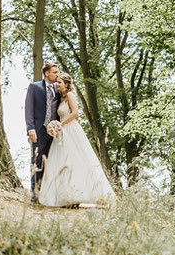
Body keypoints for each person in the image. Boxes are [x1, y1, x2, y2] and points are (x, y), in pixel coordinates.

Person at [38, 73, 116, 208]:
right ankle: (67, 197)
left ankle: (79, 196)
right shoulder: (61, 98)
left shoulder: (70, 95)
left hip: (70, 130)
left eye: (60, 83)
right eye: (57, 82)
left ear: (67, 84)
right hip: (62, 132)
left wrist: (61, 124)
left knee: (74, 160)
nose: (57, 85)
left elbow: (75, 114)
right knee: (62, 162)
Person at [24, 62, 60, 202]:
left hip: (54, 133)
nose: (57, 75)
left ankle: (48, 195)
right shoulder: (34, 87)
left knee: (51, 162)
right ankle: (35, 195)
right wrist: (30, 128)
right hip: (38, 131)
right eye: (55, 72)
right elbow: (29, 109)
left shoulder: (59, 89)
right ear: (46, 73)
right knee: (37, 161)